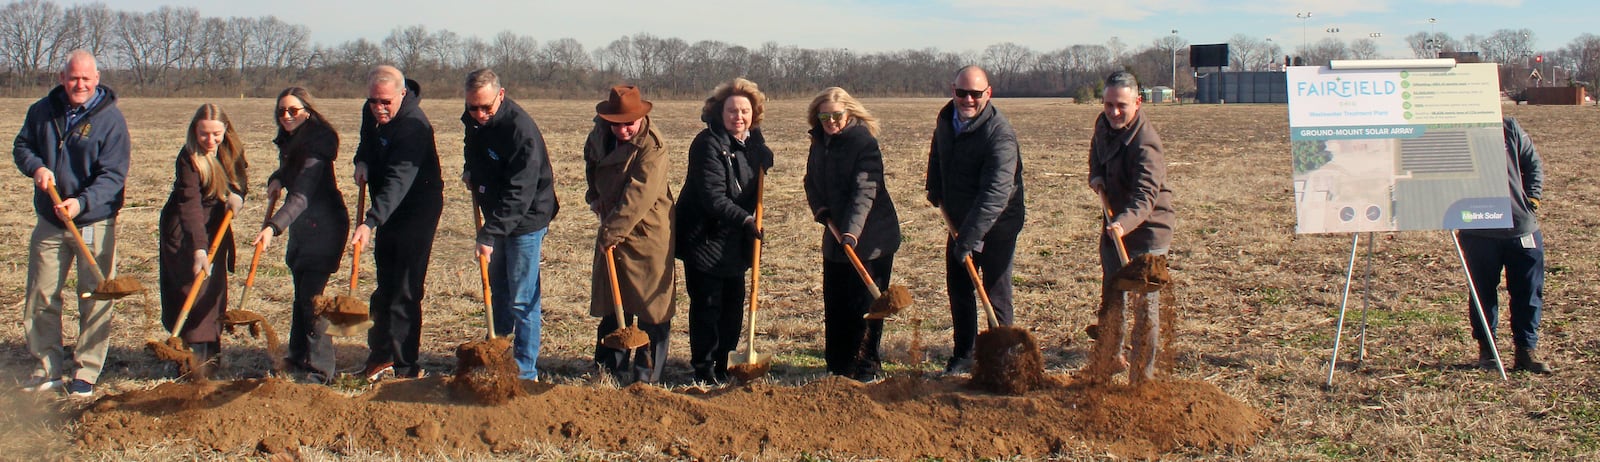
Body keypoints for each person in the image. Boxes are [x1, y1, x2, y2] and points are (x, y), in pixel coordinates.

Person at [12, 50, 130, 397]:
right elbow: (22, 146)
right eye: (73, 78)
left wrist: (81, 203)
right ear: (62, 77)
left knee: (94, 296)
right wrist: (36, 167)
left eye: (86, 79)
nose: (79, 84)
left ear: (97, 79)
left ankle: (86, 372)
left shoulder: (111, 120)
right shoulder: (42, 111)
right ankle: (46, 369)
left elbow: (113, 175)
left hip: (93, 221)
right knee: (41, 294)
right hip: (50, 219)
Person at [925, 65, 1026, 375]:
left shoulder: (999, 134)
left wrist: (969, 239)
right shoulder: (946, 118)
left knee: (995, 290)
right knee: (959, 289)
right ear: (952, 90)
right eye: (961, 92)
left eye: (975, 94)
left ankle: (1003, 360)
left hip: (997, 224)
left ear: (988, 93)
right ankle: (963, 355)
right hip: (959, 219)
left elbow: (996, 194)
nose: (968, 99)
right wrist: (935, 186)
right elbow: (938, 154)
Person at [461, 68, 558, 381]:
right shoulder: (475, 120)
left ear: (500, 96)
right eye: (473, 107)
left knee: (521, 296)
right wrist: (471, 170)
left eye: (486, 108)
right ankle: (498, 357)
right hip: (499, 215)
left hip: (527, 218)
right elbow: (474, 149)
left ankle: (525, 372)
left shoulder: (520, 131)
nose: (479, 114)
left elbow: (520, 193)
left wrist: (489, 233)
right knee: (498, 290)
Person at [676, 77, 773, 384]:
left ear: (753, 114)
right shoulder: (707, 144)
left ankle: (727, 364)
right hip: (704, 239)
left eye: (744, 111)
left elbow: (754, 160)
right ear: (720, 112)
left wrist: (764, 156)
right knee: (707, 307)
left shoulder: (752, 141)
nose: (738, 117)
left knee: (732, 306)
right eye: (732, 110)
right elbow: (713, 197)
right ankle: (704, 370)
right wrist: (746, 220)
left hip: (734, 243)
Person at [251, 87, 349, 384]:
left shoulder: (317, 143)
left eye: (293, 110)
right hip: (305, 227)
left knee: (313, 300)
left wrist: (273, 227)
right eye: (282, 111)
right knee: (301, 294)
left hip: (326, 226)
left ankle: (320, 370)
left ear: (308, 110)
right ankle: (297, 355)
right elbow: (291, 170)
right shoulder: (294, 139)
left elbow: (303, 194)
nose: (286, 116)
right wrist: (278, 178)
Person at [351, 65, 443, 381]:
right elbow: (366, 141)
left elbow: (398, 182)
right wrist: (361, 160)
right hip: (386, 209)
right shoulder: (371, 110)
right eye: (373, 101)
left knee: (405, 289)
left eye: (385, 102)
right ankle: (380, 356)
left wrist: (369, 222)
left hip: (416, 209)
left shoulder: (415, 127)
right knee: (384, 286)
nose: (378, 108)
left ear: (402, 94)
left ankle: (406, 367)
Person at [1085, 71, 1175, 385]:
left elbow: (1146, 195)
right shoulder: (1103, 124)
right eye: (1108, 104)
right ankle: (1110, 358)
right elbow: (1097, 153)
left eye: (1121, 105)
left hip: (1148, 229)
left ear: (1138, 102)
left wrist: (1124, 224)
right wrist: (1096, 175)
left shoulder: (1146, 143)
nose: (1114, 112)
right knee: (1112, 293)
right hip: (1115, 223)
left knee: (1144, 305)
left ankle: (1142, 379)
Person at [803, 87, 900, 382]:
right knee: (836, 303)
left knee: (866, 306)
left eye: (837, 115)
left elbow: (865, 191)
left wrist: (851, 233)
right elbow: (810, 181)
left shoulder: (863, 142)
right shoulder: (819, 141)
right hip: (836, 235)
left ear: (849, 113)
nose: (831, 121)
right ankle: (837, 367)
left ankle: (867, 366)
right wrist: (819, 208)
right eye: (824, 116)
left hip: (871, 237)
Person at [584, 85, 676, 384]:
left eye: (629, 124)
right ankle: (610, 370)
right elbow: (592, 164)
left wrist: (611, 231)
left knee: (651, 306)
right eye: (616, 124)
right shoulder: (599, 135)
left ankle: (646, 376)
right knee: (614, 301)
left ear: (640, 118)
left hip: (647, 230)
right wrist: (594, 195)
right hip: (612, 223)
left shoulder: (653, 146)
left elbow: (640, 194)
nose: (622, 130)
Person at [158, 104, 249, 378]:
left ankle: (211, 356)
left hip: (216, 224)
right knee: (192, 288)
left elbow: (240, 181)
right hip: (185, 229)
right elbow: (190, 204)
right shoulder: (188, 157)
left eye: (216, 134)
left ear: (225, 131)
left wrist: (238, 196)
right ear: (194, 131)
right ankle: (191, 360)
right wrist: (198, 248)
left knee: (214, 290)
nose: (210, 141)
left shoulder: (231, 150)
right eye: (204, 134)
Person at [1462, 117, 1549, 374]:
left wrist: (1532, 198)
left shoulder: (1508, 127)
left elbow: (1532, 163)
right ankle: (1487, 352)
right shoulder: (1455, 127)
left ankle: (1526, 351)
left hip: (1520, 226)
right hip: (1478, 230)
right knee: (1482, 292)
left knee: (1528, 290)